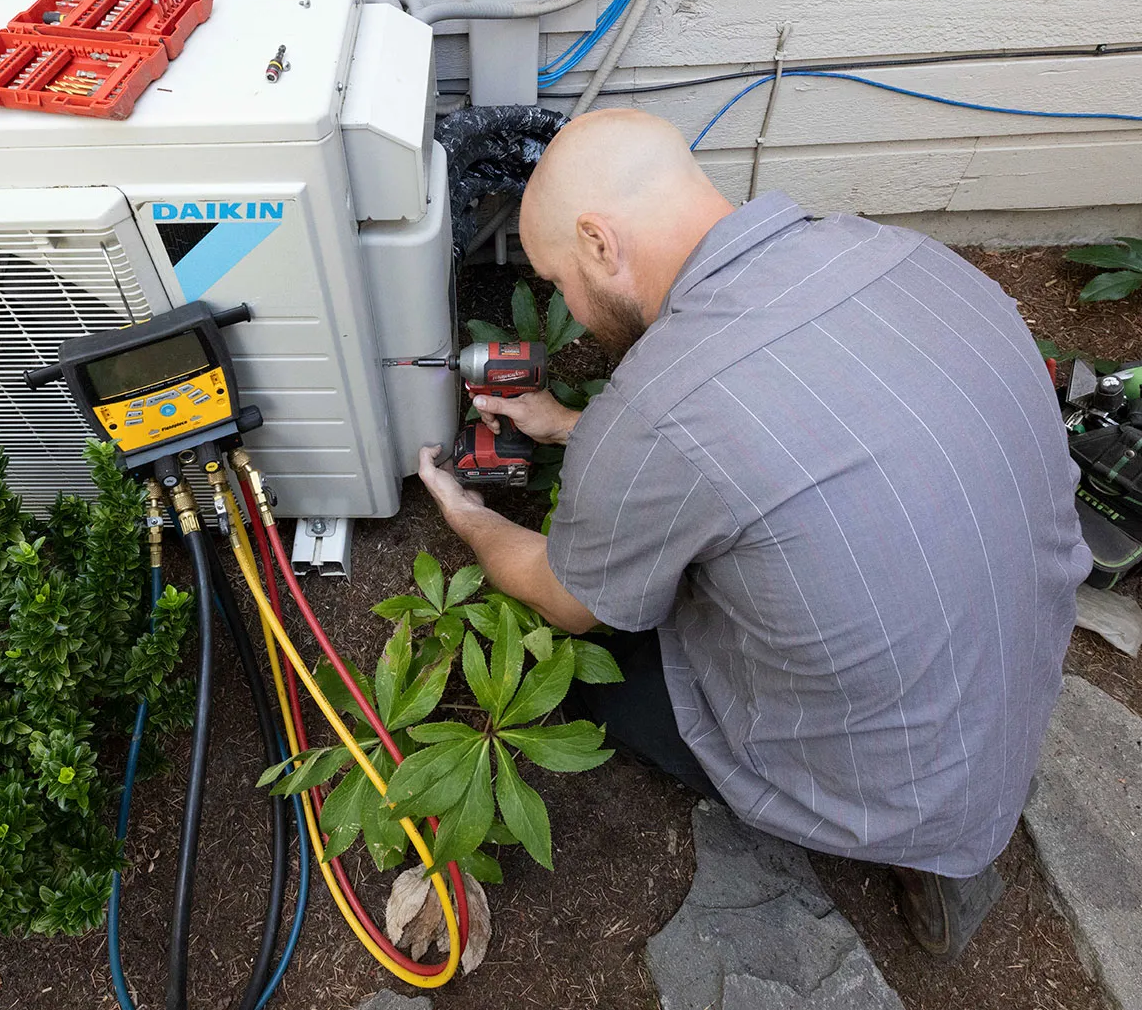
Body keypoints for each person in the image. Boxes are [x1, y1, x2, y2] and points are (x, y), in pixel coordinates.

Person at [417, 108, 1089, 960]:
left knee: (601, 668)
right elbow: (797, 424)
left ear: (598, 242)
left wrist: (466, 514)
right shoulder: (911, 257)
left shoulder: (659, 404)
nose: (571, 315)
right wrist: (565, 427)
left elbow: (568, 595)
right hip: (1012, 697)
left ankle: (883, 837)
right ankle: (941, 837)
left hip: (880, 780)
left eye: (558, 283)